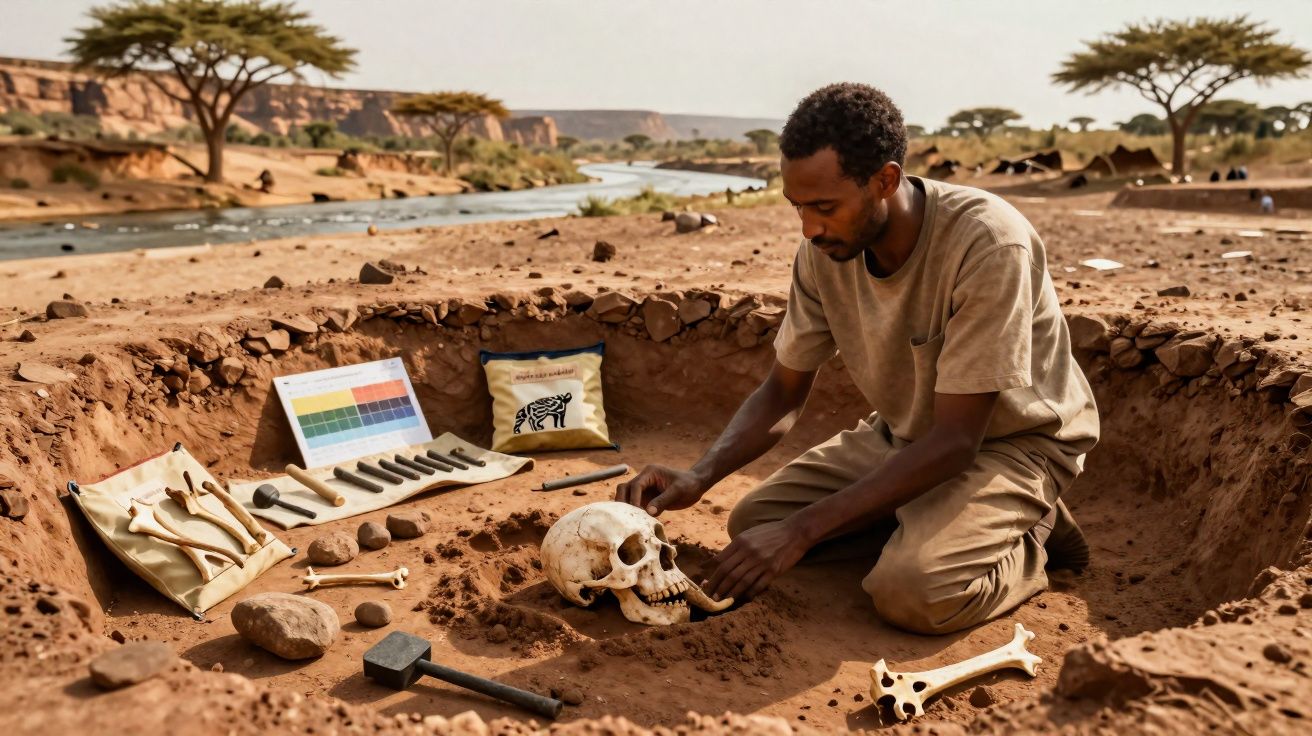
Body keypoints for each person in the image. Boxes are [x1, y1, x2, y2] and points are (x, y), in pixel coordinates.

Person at [616, 83, 1099, 635]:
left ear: (885, 181)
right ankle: (923, 519)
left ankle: (1033, 536)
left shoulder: (988, 243)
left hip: (1013, 443)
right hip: (909, 436)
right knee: (754, 521)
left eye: (824, 207)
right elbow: (783, 391)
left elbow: (960, 439)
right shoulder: (824, 252)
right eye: (797, 207)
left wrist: (803, 531)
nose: (808, 229)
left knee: (913, 592)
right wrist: (699, 475)